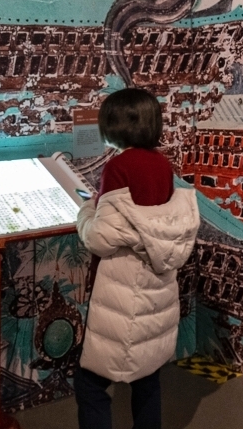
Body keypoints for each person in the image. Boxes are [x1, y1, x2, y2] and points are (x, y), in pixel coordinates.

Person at [74, 88, 200, 429]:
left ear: (115, 125)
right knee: (147, 375)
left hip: (124, 289)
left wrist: (86, 210)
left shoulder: (118, 167)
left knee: (90, 382)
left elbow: (101, 239)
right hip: (157, 288)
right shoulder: (162, 164)